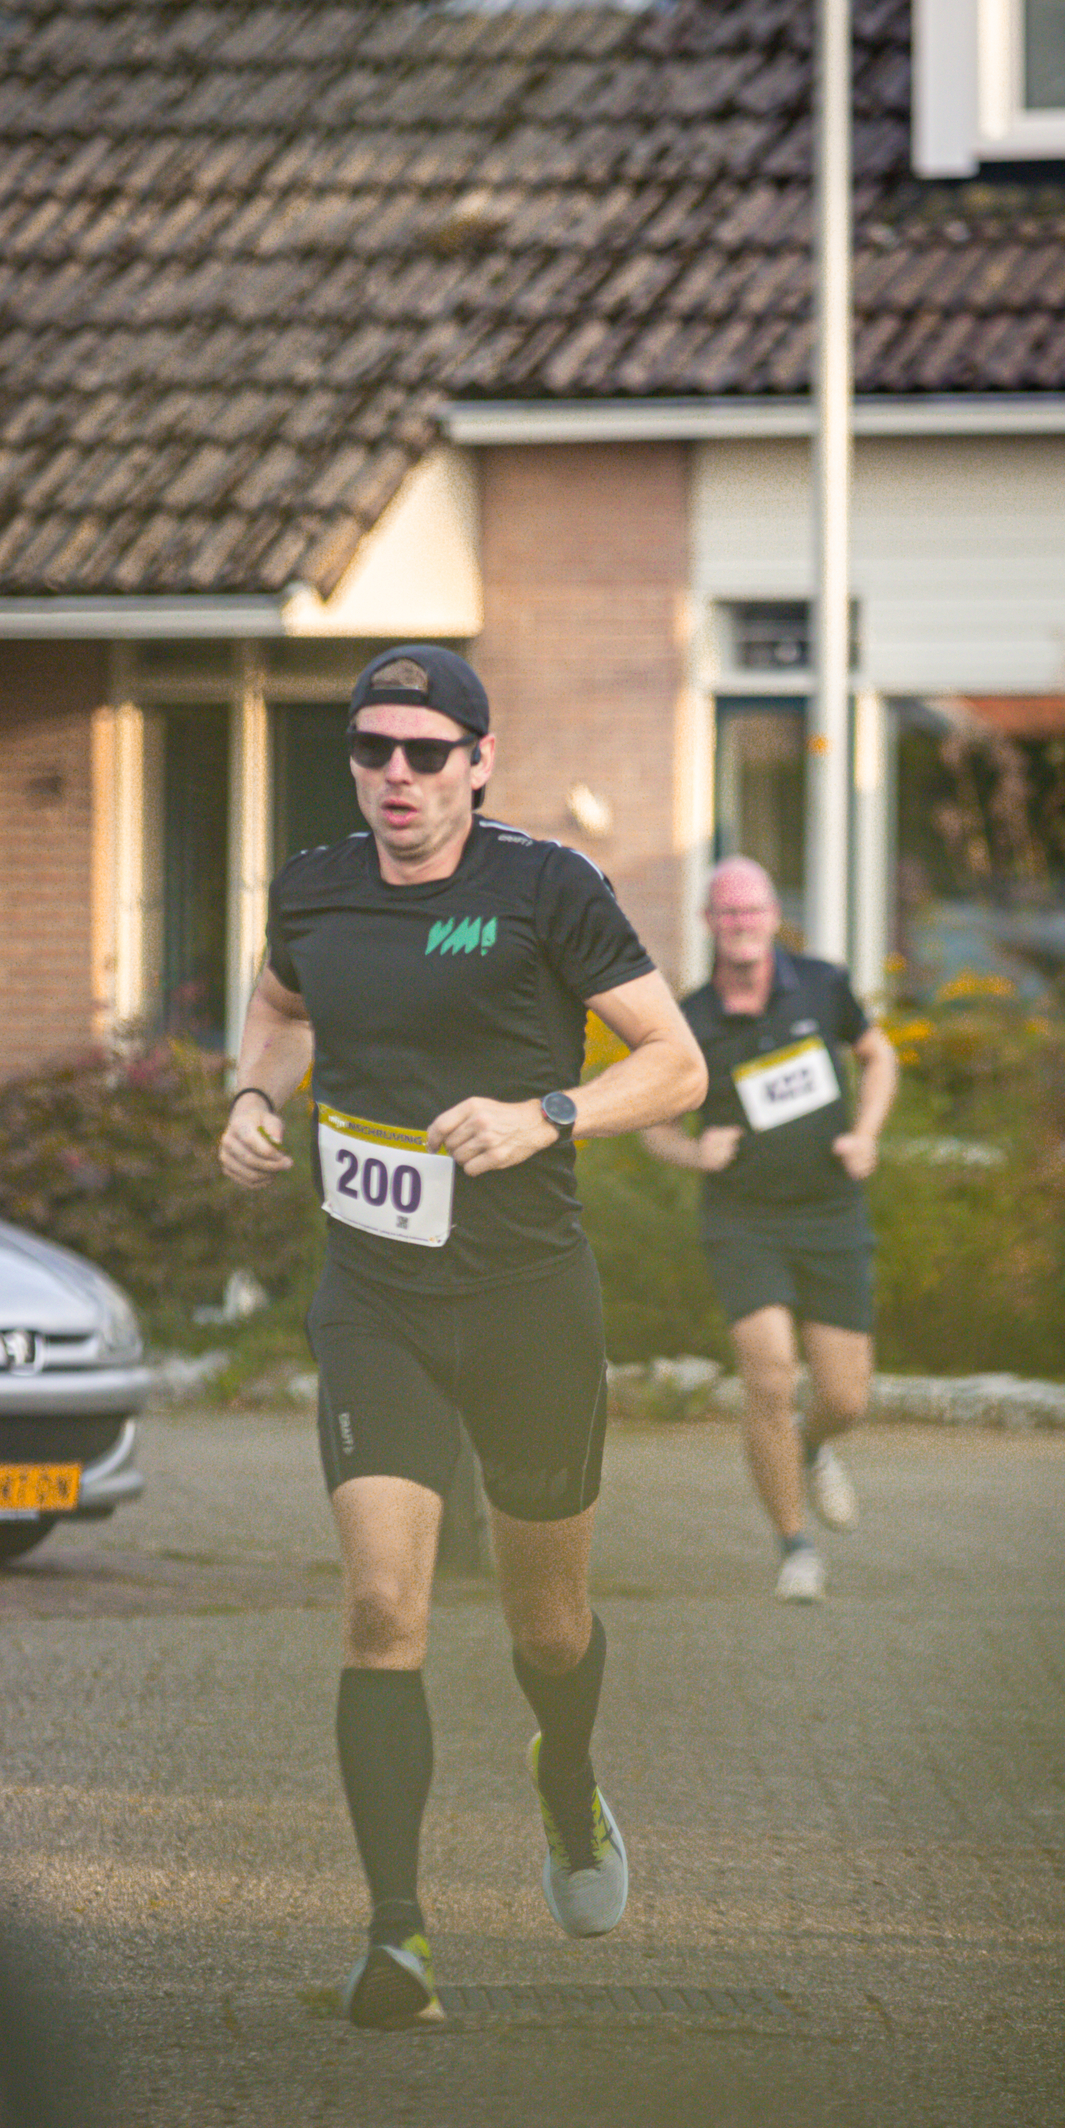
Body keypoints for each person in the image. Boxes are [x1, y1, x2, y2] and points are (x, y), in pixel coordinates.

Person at [218, 644, 707, 2029]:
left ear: (478, 764)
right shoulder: (313, 887)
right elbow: (275, 1009)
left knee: (548, 1630)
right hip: (374, 1299)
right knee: (384, 1608)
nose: (396, 776)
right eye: (373, 749)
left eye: (426, 753)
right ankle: (399, 1941)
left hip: (528, 1302)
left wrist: (546, 1113)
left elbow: (678, 1065)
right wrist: (254, 1104)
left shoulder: (546, 890)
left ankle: (566, 1777)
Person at [641, 856, 898, 1603]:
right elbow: (655, 1125)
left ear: (772, 917)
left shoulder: (822, 985)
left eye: (754, 911)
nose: (743, 924)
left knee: (847, 1394)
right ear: (708, 924)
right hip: (743, 1221)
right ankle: (796, 1549)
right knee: (769, 1377)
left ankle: (813, 1447)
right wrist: (694, 1152)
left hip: (829, 1215)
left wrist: (868, 1133)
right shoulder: (688, 1020)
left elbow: (878, 1058)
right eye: (729, 913)